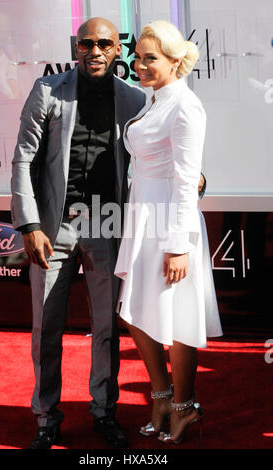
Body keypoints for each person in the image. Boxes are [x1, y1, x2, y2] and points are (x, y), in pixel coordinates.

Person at [11, 17, 146, 449]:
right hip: (54, 224)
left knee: (106, 327)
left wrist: (194, 179)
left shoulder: (134, 99)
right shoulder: (48, 90)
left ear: (117, 49)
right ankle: (46, 417)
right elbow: (23, 160)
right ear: (76, 47)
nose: (95, 51)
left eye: (104, 43)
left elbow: (157, 153)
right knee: (46, 326)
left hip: (108, 224)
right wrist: (29, 224)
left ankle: (104, 411)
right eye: (87, 43)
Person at [114, 20, 223, 445]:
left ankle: (184, 406)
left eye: (150, 58)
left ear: (176, 62)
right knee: (137, 311)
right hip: (143, 217)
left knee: (176, 316)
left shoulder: (185, 106)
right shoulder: (155, 100)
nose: (139, 65)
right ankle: (161, 397)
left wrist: (179, 246)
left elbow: (184, 179)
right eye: (137, 57)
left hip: (169, 222)